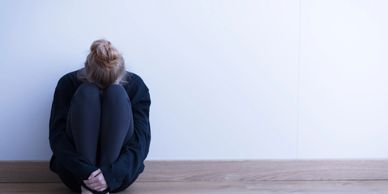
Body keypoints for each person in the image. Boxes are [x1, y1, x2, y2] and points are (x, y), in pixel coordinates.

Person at [49, 39, 151, 194]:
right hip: (76, 176)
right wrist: (86, 172)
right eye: (98, 86)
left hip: (118, 177)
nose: (102, 92)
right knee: (87, 93)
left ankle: (99, 185)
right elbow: (57, 136)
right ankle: (89, 188)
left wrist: (109, 175)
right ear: (85, 72)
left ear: (122, 76)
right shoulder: (68, 83)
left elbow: (141, 140)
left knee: (116, 95)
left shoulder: (135, 85)